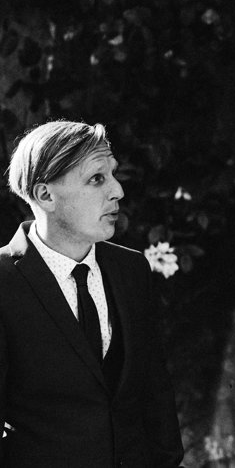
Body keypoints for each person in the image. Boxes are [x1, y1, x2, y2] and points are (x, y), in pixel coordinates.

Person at [0, 120, 184, 467]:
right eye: (97, 178)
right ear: (45, 195)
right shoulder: (4, 281)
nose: (117, 191)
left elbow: (154, 390)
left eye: (113, 175)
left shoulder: (130, 269)